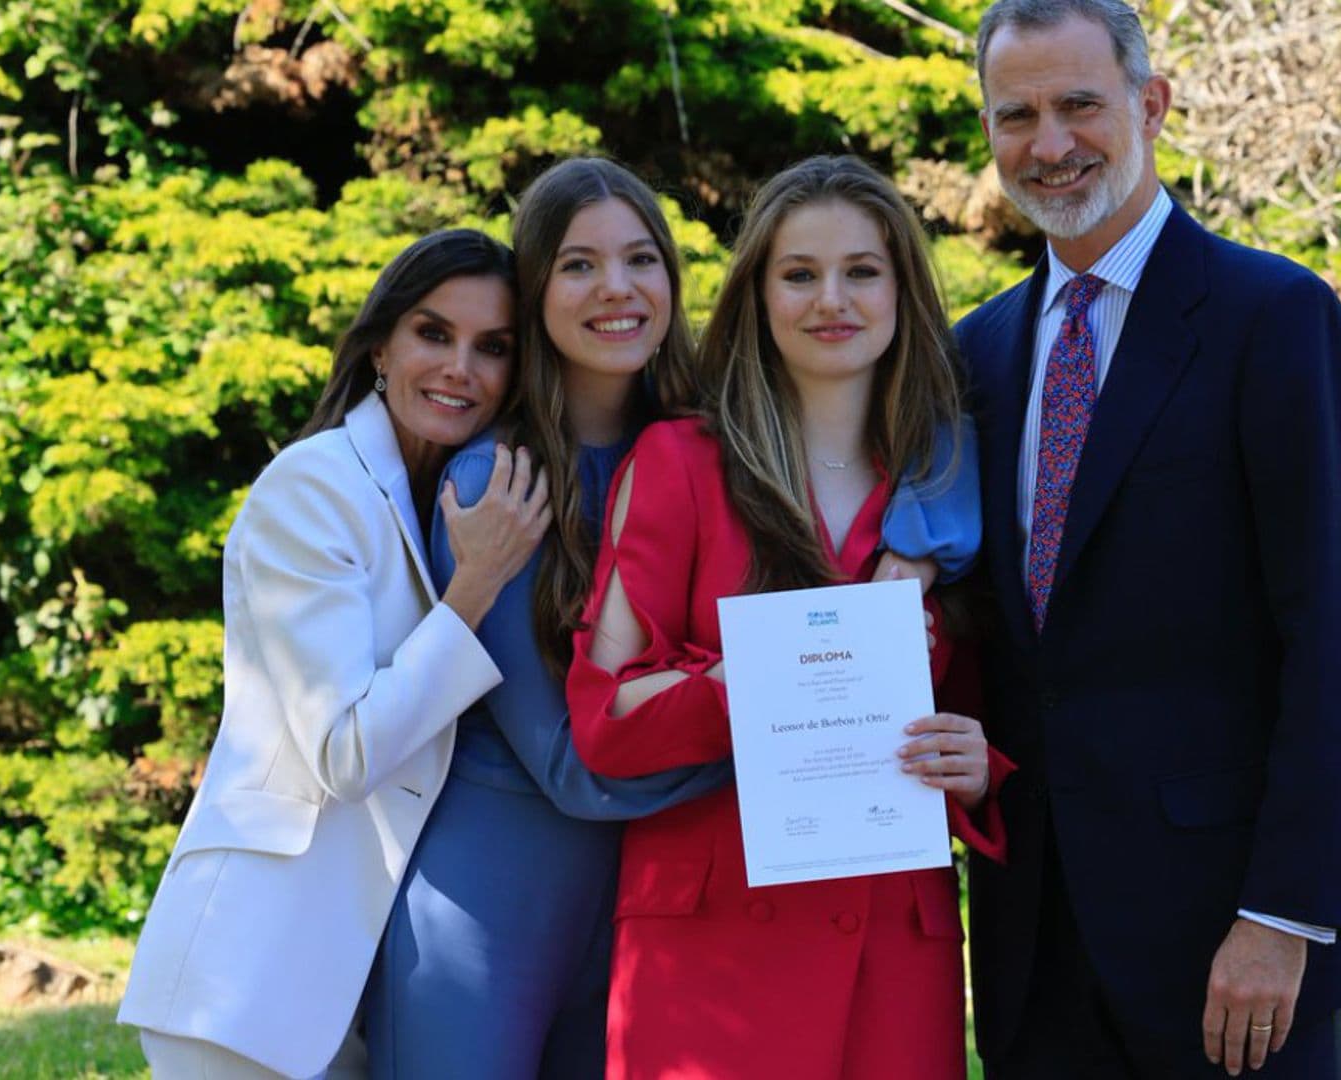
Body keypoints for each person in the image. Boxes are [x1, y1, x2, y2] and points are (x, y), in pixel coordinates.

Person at [364, 158, 983, 1078]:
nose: (615, 289)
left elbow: (987, 700)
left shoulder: (921, 482)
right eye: (577, 265)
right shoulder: (537, 481)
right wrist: (793, 701)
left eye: (640, 260)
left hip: (839, 921)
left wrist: (968, 760)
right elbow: (584, 751)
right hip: (550, 893)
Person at [955, 2, 1341, 1077]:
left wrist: (1285, 915)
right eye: (1015, 115)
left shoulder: (1273, 317)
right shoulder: (975, 355)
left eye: (1078, 105)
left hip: (1229, 945)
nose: (1049, 144)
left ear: (1150, 105)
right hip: (1034, 947)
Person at [567, 155, 1012, 1080]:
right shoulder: (681, 462)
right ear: (758, 296)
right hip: (710, 950)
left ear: (902, 292)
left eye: (861, 271)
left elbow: (991, 710)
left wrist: (977, 767)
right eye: (799, 274)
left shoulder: (950, 486)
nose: (831, 300)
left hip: (894, 945)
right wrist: (761, 679)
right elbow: (603, 718)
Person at [117, 230, 551, 1080]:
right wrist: (476, 588)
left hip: (359, 991)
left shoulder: (446, 495)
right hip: (248, 985)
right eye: (434, 334)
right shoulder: (313, 488)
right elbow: (344, 753)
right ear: (381, 347)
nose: (460, 366)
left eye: (492, 347)